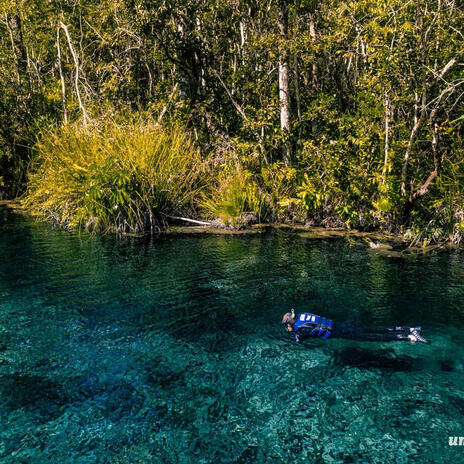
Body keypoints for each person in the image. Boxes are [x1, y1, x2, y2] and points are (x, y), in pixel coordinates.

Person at [282, 309, 428, 343]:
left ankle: (408, 337)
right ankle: (410, 328)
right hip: (340, 325)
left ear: (290, 324)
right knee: (375, 329)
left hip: (341, 332)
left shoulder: (300, 329)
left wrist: (290, 332)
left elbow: (299, 340)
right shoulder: (302, 315)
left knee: (374, 338)